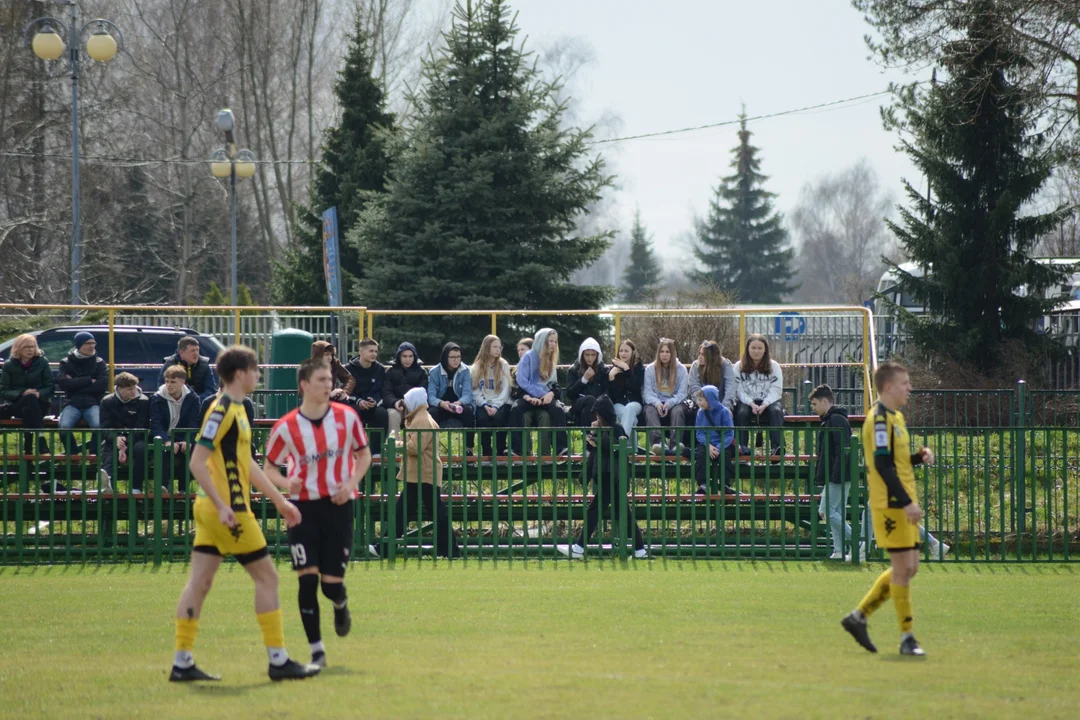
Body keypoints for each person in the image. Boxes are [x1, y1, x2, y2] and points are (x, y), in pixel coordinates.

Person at [169, 345, 319, 682]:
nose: (259, 375)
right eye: (255, 370)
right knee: (268, 578)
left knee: (200, 583)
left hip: (213, 510)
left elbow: (245, 463)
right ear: (241, 373)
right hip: (231, 511)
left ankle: (182, 662)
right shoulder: (222, 410)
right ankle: (278, 660)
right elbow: (196, 462)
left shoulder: (236, 409)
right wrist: (224, 507)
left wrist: (279, 501)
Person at [264, 358, 372, 669]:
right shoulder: (286, 426)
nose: (329, 385)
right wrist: (287, 482)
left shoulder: (347, 417)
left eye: (330, 380)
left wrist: (351, 482)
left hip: (338, 506)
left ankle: (340, 603)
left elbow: (363, 454)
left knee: (330, 584)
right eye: (322, 380)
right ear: (304, 385)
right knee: (307, 581)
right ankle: (316, 651)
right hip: (302, 509)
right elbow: (269, 467)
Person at [841, 361, 934, 658]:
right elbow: (881, 465)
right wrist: (905, 502)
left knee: (909, 568)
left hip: (901, 499)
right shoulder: (879, 419)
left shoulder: (896, 417)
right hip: (891, 503)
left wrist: (917, 458)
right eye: (905, 383)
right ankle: (907, 636)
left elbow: (895, 459)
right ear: (889, 387)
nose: (910, 388)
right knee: (903, 569)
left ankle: (858, 617)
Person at [556, 395, 647, 560]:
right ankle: (640, 550)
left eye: (599, 414)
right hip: (610, 478)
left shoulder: (617, 428)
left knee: (595, 512)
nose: (596, 417)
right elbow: (593, 449)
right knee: (622, 513)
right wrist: (593, 436)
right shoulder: (601, 429)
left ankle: (579, 548)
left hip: (613, 477)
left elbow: (616, 442)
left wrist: (596, 438)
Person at [389, 387, 462, 559]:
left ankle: (385, 546)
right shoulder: (421, 418)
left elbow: (415, 447)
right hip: (422, 472)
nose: (405, 405)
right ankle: (450, 551)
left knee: (408, 512)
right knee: (426, 513)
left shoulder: (421, 420)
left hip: (423, 473)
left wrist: (396, 444)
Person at [508, 328, 567, 457]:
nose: (553, 344)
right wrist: (539, 395)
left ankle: (561, 447)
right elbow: (522, 381)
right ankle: (516, 449)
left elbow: (552, 383)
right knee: (516, 409)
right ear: (542, 341)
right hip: (530, 395)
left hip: (545, 396)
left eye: (555, 341)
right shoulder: (528, 357)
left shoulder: (551, 358)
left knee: (558, 410)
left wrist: (550, 394)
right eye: (550, 341)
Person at [0, 334, 54, 460]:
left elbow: (50, 387)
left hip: (41, 404)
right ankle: (41, 440)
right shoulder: (9, 365)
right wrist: (22, 392)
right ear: (18, 348)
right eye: (26, 347)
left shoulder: (42, 362)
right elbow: (3, 390)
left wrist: (38, 393)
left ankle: (28, 447)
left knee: (31, 403)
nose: (30, 350)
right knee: (29, 399)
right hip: (19, 404)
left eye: (33, 346)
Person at [150, 365, 202, 494]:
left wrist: (188, 440)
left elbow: (193, 423)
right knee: (165, 451)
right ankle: (163, 487)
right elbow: (156, 424)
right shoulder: (157, 398)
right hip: (164, 437)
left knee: (192, 450)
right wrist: (166, 441)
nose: (169, 385)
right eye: (167, 381)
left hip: (182, 436)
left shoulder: (193, 398)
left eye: (173, 382)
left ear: (183, 382)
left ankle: (184, 489)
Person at [733, 334, 786, 458]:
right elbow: (738, 390)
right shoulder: (738, 367)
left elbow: (776, 390)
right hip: (746, 402)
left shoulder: (774, 366)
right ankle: (742, 450)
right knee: (741, 413)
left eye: (760, 348)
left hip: (769, 401)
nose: (756, 351)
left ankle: (777, 448)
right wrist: (751, 403)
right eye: (753, 348)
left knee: (776, 411)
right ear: (748, 349)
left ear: (765, 350)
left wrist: (765, 404)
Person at [56, 331, 107, 456]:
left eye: (93, 343)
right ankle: (73, 454)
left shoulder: (99, 362)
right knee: (64, 427)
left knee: (98, 426)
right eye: (87, 343)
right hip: (72, 403)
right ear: (78, 345)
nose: (91, 346)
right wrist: (89, 380)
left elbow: (102, 385)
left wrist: (74, 383)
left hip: (93, 402)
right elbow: (63, 384)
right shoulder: (66, 362)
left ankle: (94, 454)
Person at [99, 372, 151, 494]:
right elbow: (105, 427)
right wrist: (116, 439)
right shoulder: (107, 402)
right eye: (129, 389)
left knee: (141, 449)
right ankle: (108, 486)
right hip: (115, 438)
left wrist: (126, 442)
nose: (133, 392)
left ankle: (136, 487)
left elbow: (142, 426)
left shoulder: (143, 401)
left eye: (134, 388)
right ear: (119, 389)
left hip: (137, 438)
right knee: (110, 451)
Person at [642, 338, 689, 456]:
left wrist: (669, 403)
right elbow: (647, 393)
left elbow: (682, 393)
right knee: (649, 410)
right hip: (655, 402)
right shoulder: (650, 369)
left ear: (672, 353)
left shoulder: (681, 369)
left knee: (678, 411)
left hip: (674, 402)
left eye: (667, 352)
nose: (664, 354)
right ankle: (658, 443)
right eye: (662, 352)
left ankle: (676, 444)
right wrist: (657, 403)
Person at [344, 338, 389, 457]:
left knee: (382, 414)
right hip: (355, 404)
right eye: (371, 351)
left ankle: (376, 452)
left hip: (372, 405)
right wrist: (358, 401)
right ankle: (355, 451)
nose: (374, 354)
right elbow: (346, 391)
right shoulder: (348, 369)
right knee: (352, 413)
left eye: (376, 351)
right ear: (360, 351)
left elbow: (382, 389)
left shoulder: (379, 369)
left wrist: (375, 401)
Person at [471, 335, 512, 456]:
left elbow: (506, 389)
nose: (498, 350)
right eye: (494, 347)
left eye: (500, 347)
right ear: (486, 347)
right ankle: (486, 453)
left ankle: (500, 452)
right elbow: (475, 390)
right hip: (484, 403)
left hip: (500, 403)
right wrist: (484, 404)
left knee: (500, 418)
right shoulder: (476, 367)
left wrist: (496, 406)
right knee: (482, 419)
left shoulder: (503, 364)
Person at [693, 385, 737, 496]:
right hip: (706, 443)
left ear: (709, 399)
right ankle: (703, 484)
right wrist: (708, 445)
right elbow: (699, 432)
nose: (699, 402)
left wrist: (719, 447)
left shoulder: (724, 412)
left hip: (722, 443)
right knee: (701, 454)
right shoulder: (700, 413)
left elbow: (729, 433)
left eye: (701, 400)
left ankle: (725, 484)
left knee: (725, 455)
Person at [381, 341, 427, 441]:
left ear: (415, 357)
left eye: (410, 356)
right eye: (404, 356)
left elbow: (423, 392)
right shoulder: (390, 372)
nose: (408, 359)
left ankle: (417, 447)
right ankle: (393, 448)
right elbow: (386, 392)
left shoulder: (421, 372)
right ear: (399, 357)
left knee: (421, 416)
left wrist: (409, 403)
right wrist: (395, 402)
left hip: (416, 407)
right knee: (393, 415)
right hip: (396, 406)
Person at [607, 339, 645, 455]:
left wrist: (627, 369)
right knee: (630, 417)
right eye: (621, 351)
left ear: (633, 352)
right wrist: (611, 378)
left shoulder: (639, 368)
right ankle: (631, 452)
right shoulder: (613, 369)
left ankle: (622, 440)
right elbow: (613, 395)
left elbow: (635, 386)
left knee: (630, 408)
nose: (623, 354)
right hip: (619, 404)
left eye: (626, 351)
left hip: (635, 404)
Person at [427, 342, 474, 430]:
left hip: (458, 405)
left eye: (458, 357)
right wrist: (441, 403)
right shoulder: (434, 371)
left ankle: (469, 444)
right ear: (446, 357)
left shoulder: (465, 370)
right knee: (432, 413)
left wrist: (459, 402)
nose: (456, 360)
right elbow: (431, 397)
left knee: (468, 411)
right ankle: (431, 443)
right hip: (441, 405)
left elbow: (468, 395)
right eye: (452, 357)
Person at [158, 336, 218, 402]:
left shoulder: (204, 364)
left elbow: (210, 390)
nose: (196, 353)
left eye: (197, 350)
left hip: (199, 403)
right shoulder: (170, 363)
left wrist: (195, 400)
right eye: (192, 351)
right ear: (181, 353)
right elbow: (162, 388)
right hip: (176, 403)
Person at [565, 337, 608, 428]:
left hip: (597, 405)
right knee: (589, 399)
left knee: (586, 411)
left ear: (597, 355)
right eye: (587, 355)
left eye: (593, 355)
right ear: (582, 354)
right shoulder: (573, 369)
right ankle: (594, 437)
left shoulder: (603, 370)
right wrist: (583, 379)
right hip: (578, 404)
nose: (590, 358)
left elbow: (606, 392)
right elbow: (570, 394)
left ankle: (589, 440)